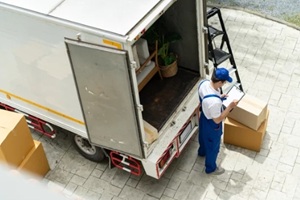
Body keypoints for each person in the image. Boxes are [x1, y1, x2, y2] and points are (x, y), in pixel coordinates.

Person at [198, 67, 238, 175]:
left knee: (203, 137)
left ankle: (202, 152)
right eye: (224, 83)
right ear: (220, 82)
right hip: (212, 125)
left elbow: (208, 100)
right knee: (213, 147)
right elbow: (218, 119)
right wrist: (230, 106)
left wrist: (220, 96)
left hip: (204, 118)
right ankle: (210, 168)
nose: (224, 84)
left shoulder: (203, 83)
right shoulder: (214, 103)